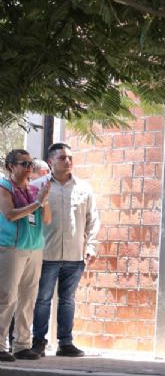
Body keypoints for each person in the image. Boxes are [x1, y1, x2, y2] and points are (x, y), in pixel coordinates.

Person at [29, 143, 100, 358]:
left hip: (74, 255)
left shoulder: (84, 188)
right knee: (42, 299)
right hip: (46, 253)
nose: (67, 161)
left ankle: (65, 343)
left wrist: (91, 246)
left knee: (68, 300)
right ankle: (38, 342)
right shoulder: (37, 186)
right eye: (62, 158)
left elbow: (92, 219)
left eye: (70, 157)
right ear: (50, 162)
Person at [0, 150, 51, 361]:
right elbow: (10, 215)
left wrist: (44, 202)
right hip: (11, 248)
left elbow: (47, 220)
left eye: (31, 164)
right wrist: (37, 203)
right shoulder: (4, 188)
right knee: (7, 297)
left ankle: (22, 344)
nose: (29, 167)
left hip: (34, 248)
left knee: (28, 298)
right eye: (24, 163)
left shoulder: (32, 190)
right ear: (11, 166)